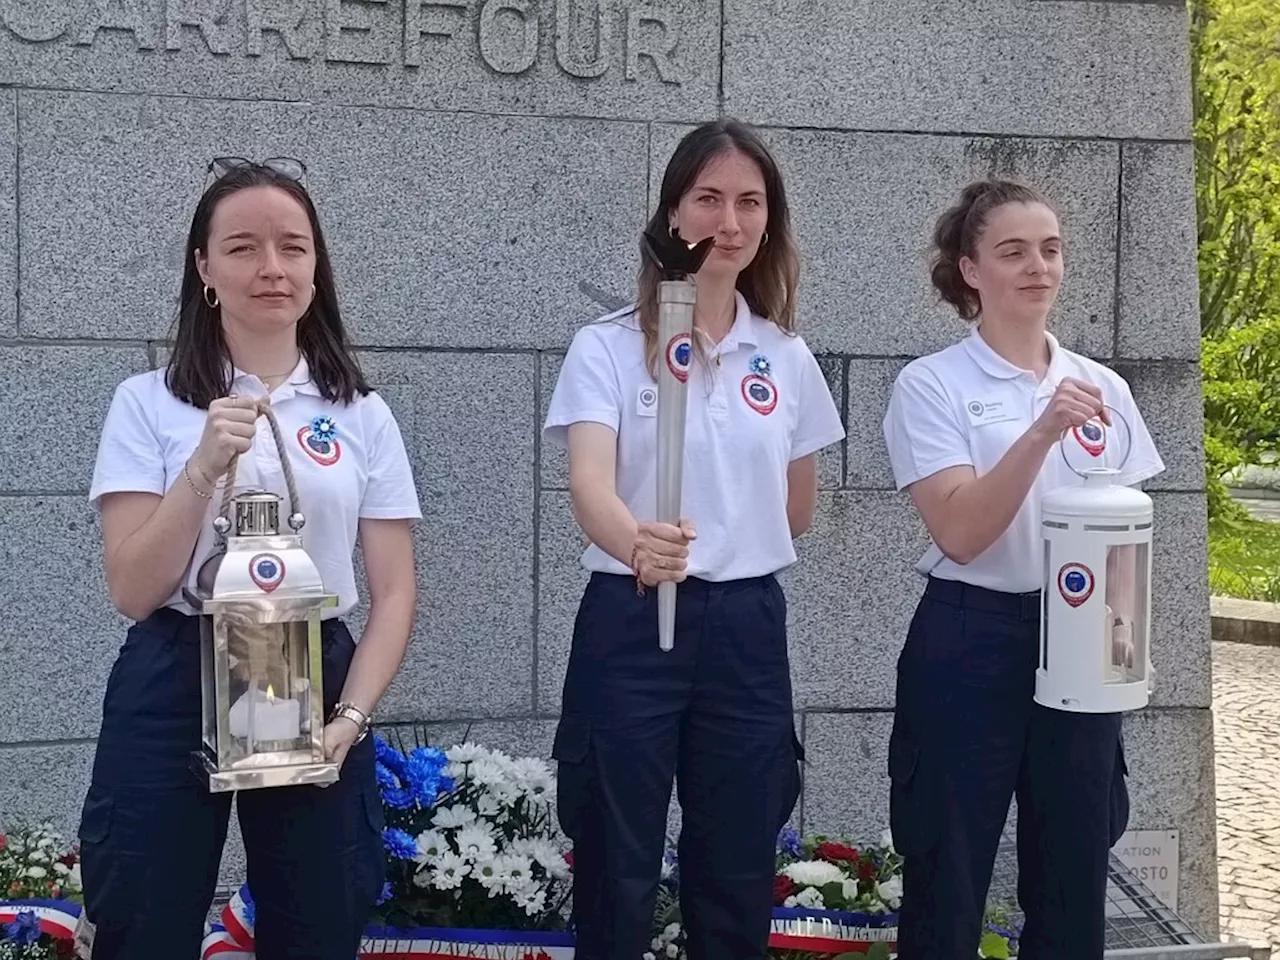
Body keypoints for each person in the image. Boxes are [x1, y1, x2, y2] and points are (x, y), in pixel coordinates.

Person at [77, 157, 421, 959]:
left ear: (315, 267)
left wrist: (352, 719)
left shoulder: (361, 415)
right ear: (204, 268)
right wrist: (201, 469)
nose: (272, 268)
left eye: (293, 248)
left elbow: (395, 593)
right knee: (143, 910)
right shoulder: (147, 403)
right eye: (242, 248)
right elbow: (132, 588)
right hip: (175, 666)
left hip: (311, 665)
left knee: (320, 917)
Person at [543, 119, 845, 960]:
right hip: (632, 617)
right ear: (673, 214)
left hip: (744, 632)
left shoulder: (783, 357)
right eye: (708, 198)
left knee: (737, 862)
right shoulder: (606, 347)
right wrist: (639, 541)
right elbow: (589, 486)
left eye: (750, 202)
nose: (730, 220)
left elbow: (796, 508)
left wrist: (725, 543)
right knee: (617, 860)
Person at [881, 179, 1166, 959]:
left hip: (1078, 637)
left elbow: (1128, 538)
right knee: (948, 874)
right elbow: (962, 531)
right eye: (1012, 252)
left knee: (1073, 877)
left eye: (1050, 249)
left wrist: (1127, 646)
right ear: (970, 270)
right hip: (972, 637)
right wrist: (1040, 430)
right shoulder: (933, 385)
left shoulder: (1105, 387)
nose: (1037, 267)